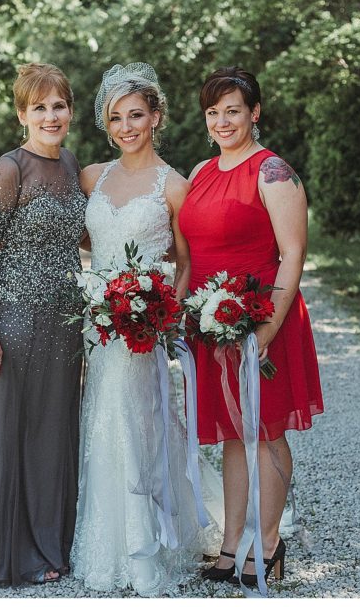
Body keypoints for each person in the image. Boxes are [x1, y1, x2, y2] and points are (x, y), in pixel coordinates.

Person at [71, 62, 221, 596]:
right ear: (106, 124)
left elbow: (185, 262)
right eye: (116, 118)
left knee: (137, 420)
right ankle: (105, 542)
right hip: (99, 323)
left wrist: (161, 311)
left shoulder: (174, 185)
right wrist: (103, 290)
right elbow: (89, 240)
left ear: (155, 116)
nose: (127, 126)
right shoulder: (92, 176)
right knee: (104, 420)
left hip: (142, 328)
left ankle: (143, 551)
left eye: (137, 115)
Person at [178, 66, 324, 587]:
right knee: (233, 438)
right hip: (211, 324)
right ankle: (230, 546)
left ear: (254, 113)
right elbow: (189, 253)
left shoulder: (273, 172)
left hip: (264, 318)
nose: (222, 121)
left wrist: (264, 330)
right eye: (213, 112)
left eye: (233, 110)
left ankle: (269, 545)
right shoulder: (199, 172)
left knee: (265, 430)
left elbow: (293, 254)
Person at [0, 62, 86, 586]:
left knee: (55, 435)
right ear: (22, 114)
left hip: (66, 326)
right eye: (39, 107)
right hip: (13, 325)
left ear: (71, 111)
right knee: (15, 436)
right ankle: (15, 557)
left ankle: (52, 547)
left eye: (58, 105)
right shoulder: (8, 170)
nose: (51, 115)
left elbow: (80, 235)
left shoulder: (73, 166)